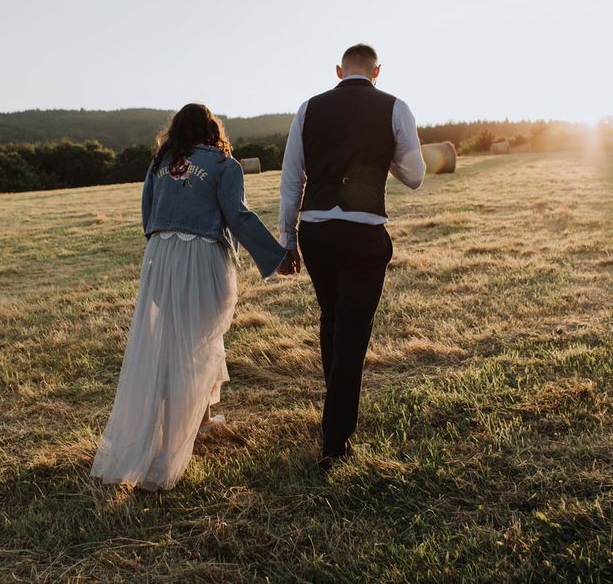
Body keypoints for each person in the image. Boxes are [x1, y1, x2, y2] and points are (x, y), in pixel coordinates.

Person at [91, 103, 289, 490]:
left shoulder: (159, 163)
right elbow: (239, 216)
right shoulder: (223, 164)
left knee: (174, 337)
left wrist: (165, 238)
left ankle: (198, 418)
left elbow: (147, 214)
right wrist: (276, 257)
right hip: (201, 256)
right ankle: (184, 431)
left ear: (177, 130)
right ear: (212, 129)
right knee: (200, 337)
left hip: (161, 258)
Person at [279, 44, 425, 473]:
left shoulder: (308, 109)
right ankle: (336, 440)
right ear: (377, 71)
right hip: (363, 231)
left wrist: (288, 241)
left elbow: (292, 179)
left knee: (332, 320)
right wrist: (388, 157)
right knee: (353, 331)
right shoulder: (395, 107)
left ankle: (333, 422)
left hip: (317, 231)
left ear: (339, 71)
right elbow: (415, 177)